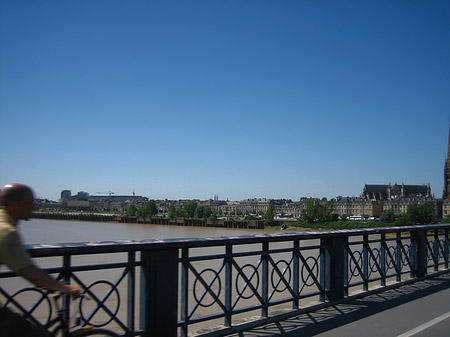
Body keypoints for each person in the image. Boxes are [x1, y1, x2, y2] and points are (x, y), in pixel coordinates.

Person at [0, 183, 81, 336]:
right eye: (32, 202)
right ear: (20, 204)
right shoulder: (6, 231)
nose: (35, 207)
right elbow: (29, 272)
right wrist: (66, 288)